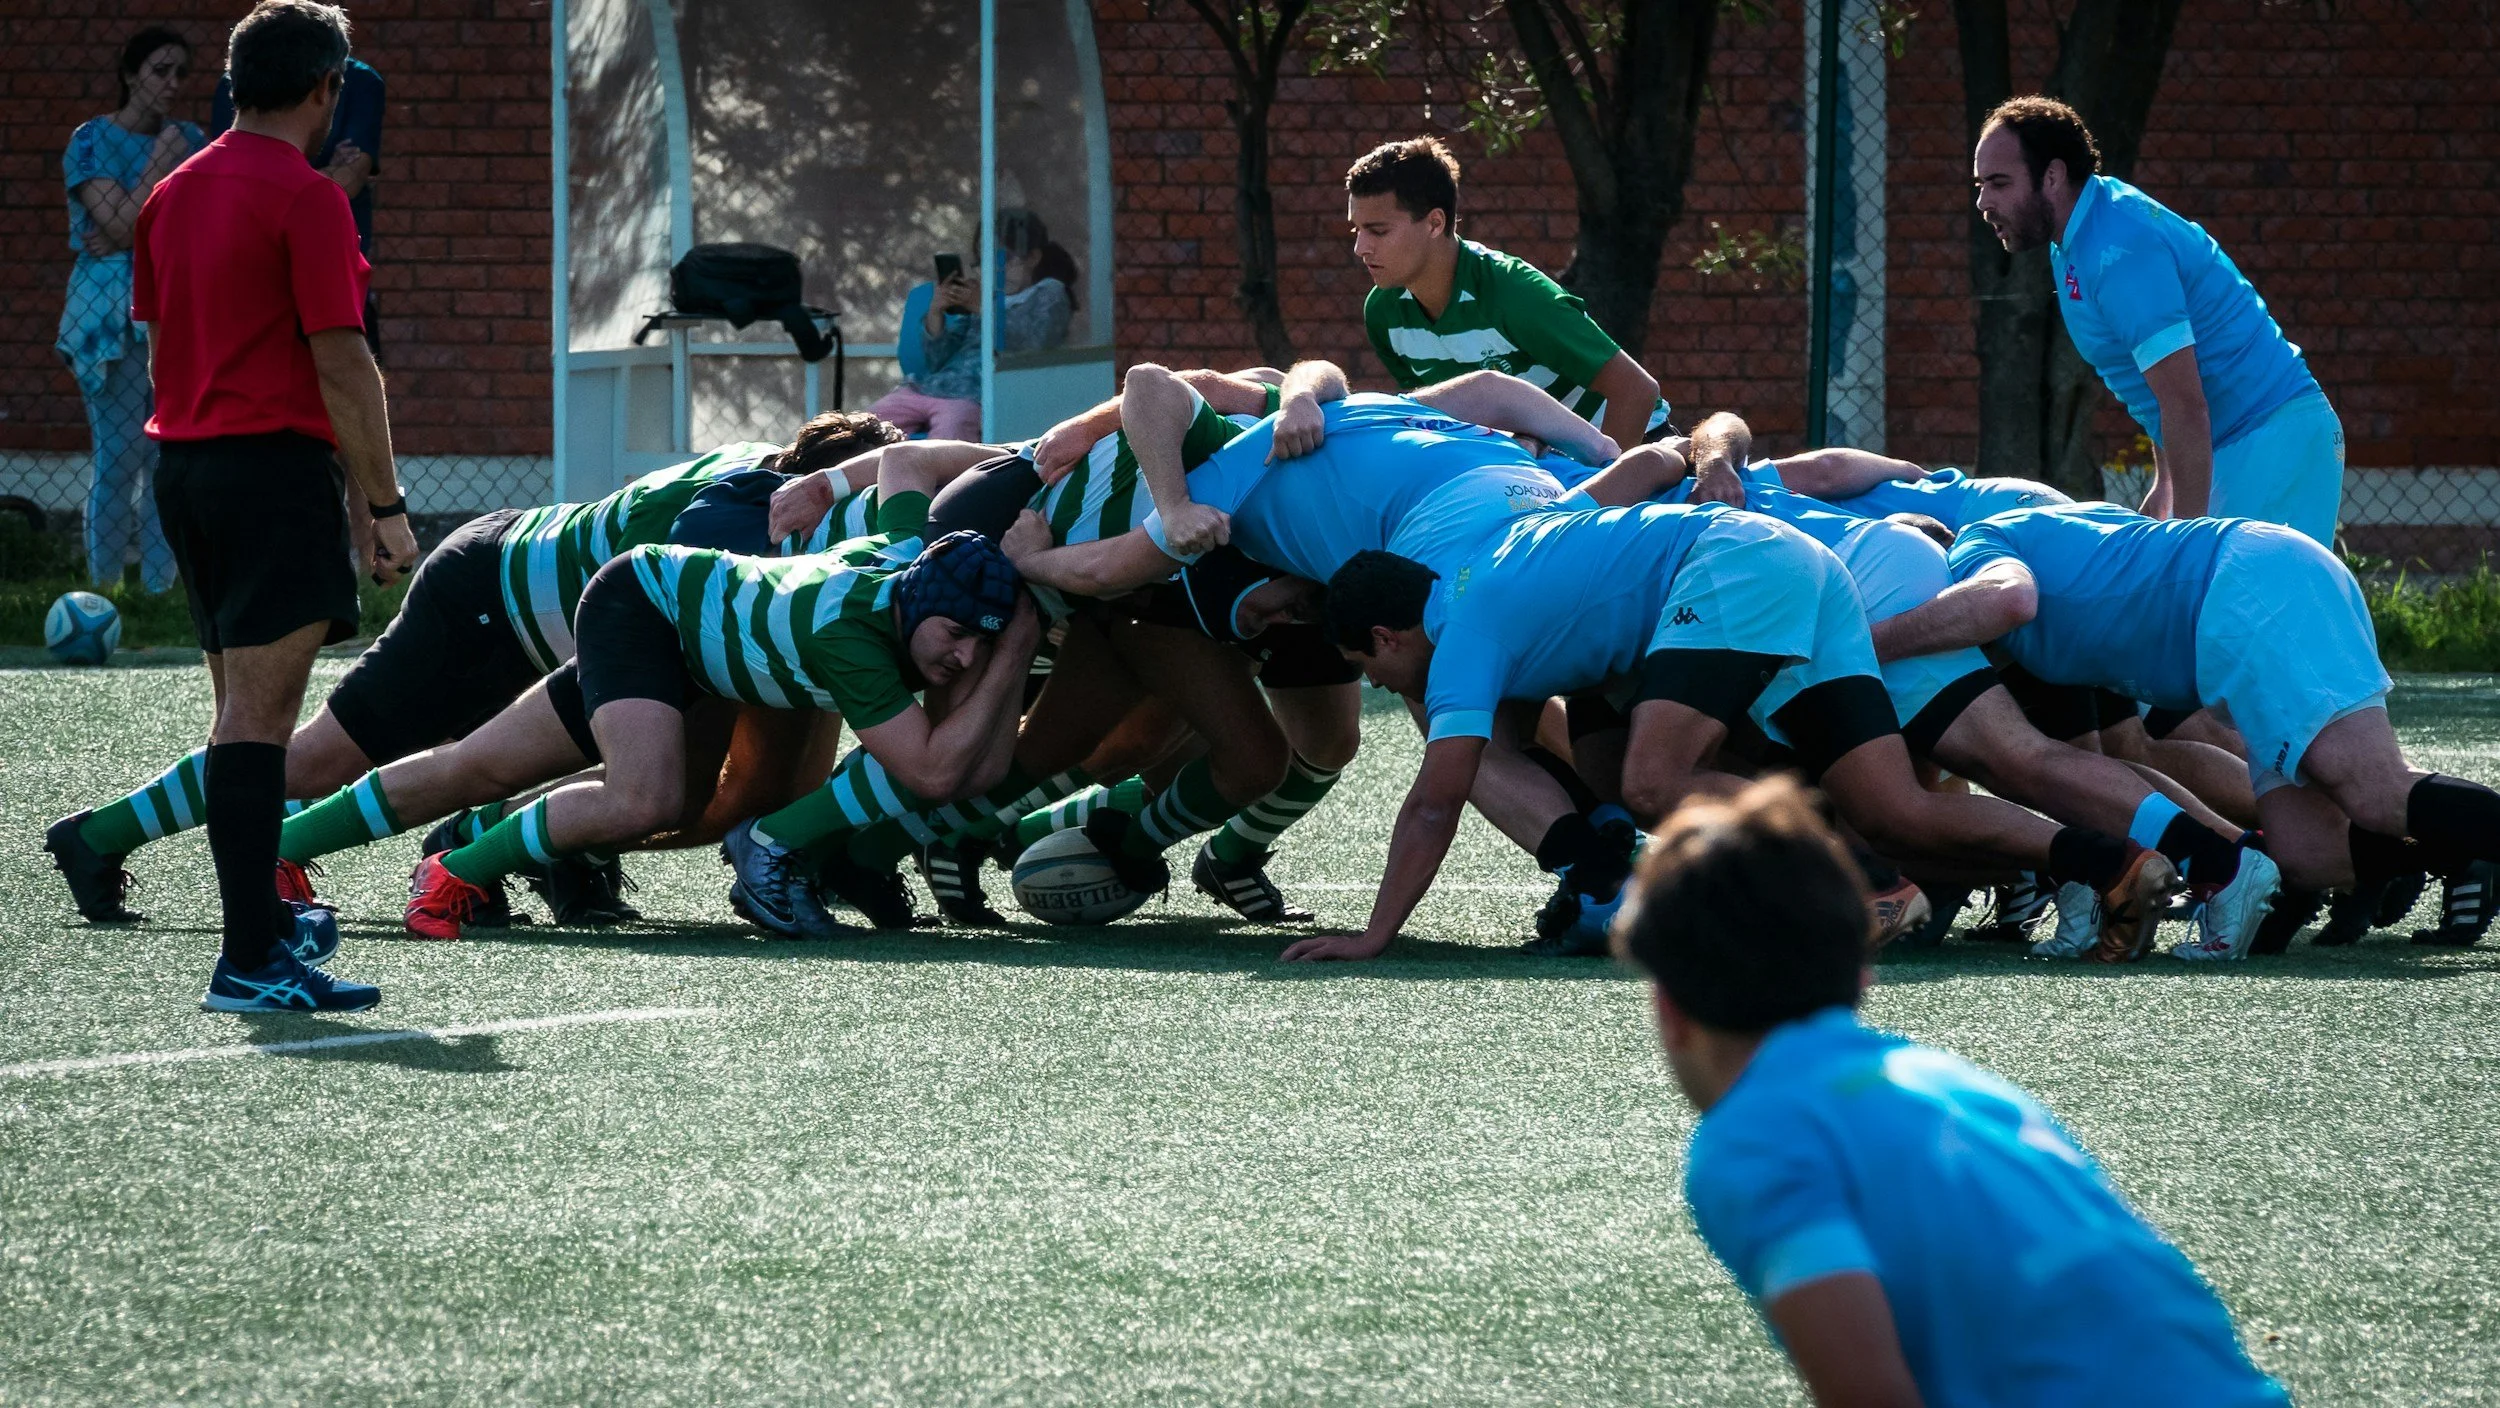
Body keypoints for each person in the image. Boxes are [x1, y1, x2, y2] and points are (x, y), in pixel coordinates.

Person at [1617, 777, 2291, 1407]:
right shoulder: (1955, 1083)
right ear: (1861, 980)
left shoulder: (1754, 1137)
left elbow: (1873, 1398)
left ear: (1671, 1010)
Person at [1307, 508, 2174, 965]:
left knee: (1652, 784)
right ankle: (2116, 866)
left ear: (1387, 637)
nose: (1379, 685)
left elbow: (1435, 801)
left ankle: (1874, 888)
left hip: (1735, 567)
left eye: (1367, 667)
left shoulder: (1457, 639)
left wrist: (1374, 934)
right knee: (1893, 805)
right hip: (1797, 561)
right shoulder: (1478, 575)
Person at [397, 454, 1040, 941]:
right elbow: (931, 769)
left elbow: (903, 459)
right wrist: (1032, 463)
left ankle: (458, 841)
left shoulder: (910, 554)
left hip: (692, 626)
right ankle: (451, 870)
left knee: (665, 799)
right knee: (640, 799)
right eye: (957, 635)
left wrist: (1014, 462)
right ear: (923, 605)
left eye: (978, 646)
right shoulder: (852, 633)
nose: (963, 658)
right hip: (644, 603)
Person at [116, 0, 414, 1011]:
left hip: (186, 470)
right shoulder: (310, 198)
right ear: (328, 88)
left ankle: (262, 934)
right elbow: (344, 361)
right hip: (269, 472)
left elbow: (160, 350)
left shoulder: (171, 193)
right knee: (258, 722)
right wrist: (385, 504)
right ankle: (249, 957)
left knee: (235, 715)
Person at [1903, 501, 2500, 952]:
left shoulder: (1974, 546)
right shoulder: (2039, 559)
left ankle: (2470, 846)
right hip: (2244, 590)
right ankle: (2459, 851)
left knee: (2373, 789)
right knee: (2308, 854)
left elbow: (2006, 601)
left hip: (2250, 585)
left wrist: (1868, 640)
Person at [1973, 96, 2342, 545]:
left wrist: (2184, 543)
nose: (1983, 201)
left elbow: (2185, 403)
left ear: (2051, 177)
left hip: (2271, 440)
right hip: (2234, 445)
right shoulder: (2077, 237)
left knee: (2247, 610)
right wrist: (2165, 484)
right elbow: (2155, 381)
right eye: (1980, 185)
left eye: (1998, 183)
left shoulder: (2117, 250)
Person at [1348, 137, 1666, 454]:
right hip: (1531, 472)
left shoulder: (1514, 293)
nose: (1360, 248)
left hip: (1638, 449)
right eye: (1356, 230)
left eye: (1378, 231)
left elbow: (1636, 391)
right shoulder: (1382, 314)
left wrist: (1599, 488)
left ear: (1434, 223)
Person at [58, 25, 207, 594]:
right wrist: (160, 165)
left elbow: (167, 228)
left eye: (179, 73)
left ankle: (159, 591)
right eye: (159, 71)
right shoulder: (92, 141)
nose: (171, 84)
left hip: (171, 310)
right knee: (118, 457)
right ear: (130, 74)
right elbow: (125, 225)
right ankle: (101, 590)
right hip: (107, 322)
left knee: (168, 462)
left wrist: (127, 223)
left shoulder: (193, 139)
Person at [213, 52, 381, 356]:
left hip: (333, 276)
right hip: (255, 279)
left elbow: (352, 179)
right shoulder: (237, 80)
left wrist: (269, 183)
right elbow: (230, 185)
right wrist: (326, 174)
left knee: (345, 372)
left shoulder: (361, 81)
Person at [871, 207, 1076, 440]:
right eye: (984, 261)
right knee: (868, 426)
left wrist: (982, 308)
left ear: (1032, 257)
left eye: (1004, 259)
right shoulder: (985, 297)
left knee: (946, 441)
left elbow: (1034, 343)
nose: (995, 269)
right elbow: (937, 360)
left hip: (975, 395)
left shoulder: (1048, 293)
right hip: (929, 387)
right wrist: (936, 312)